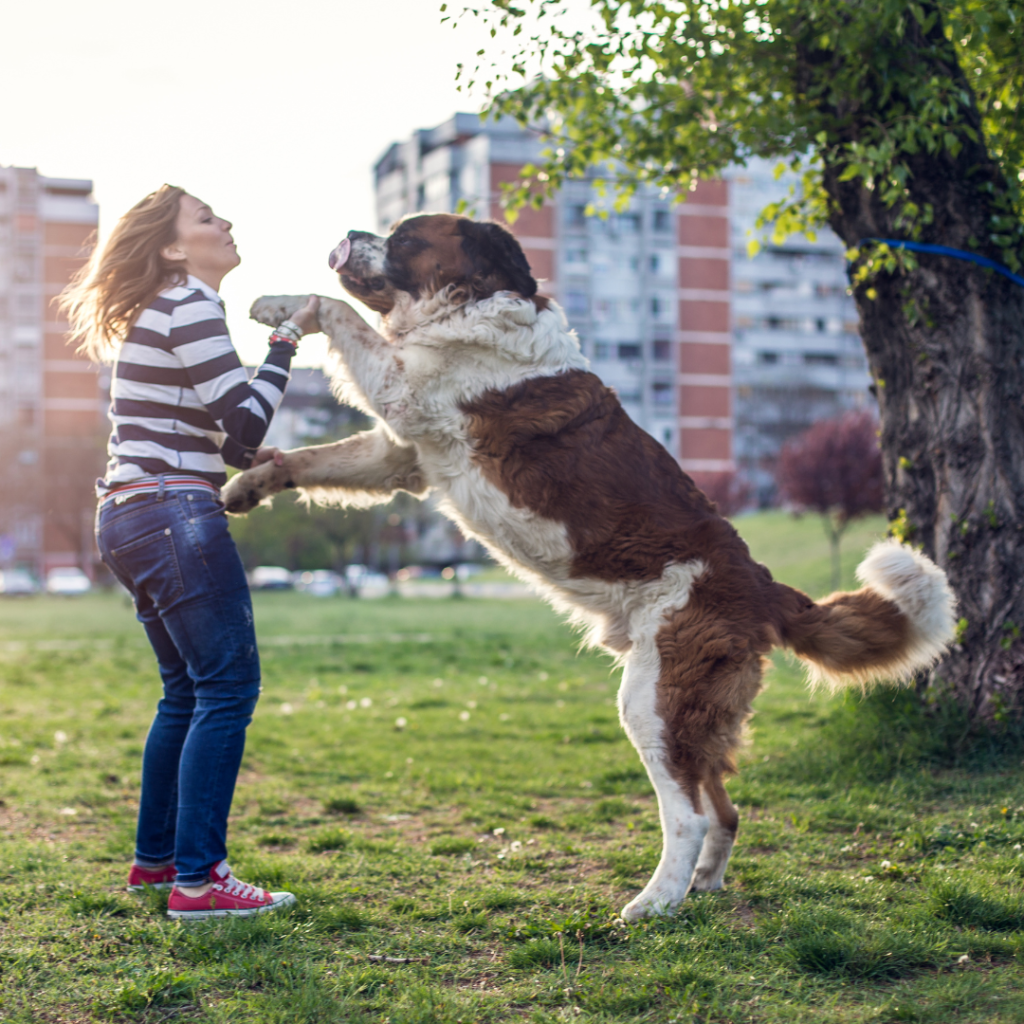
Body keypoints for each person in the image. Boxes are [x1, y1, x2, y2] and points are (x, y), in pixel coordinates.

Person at [60, 185, 319, 920]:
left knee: (185, 694)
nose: (226, 222)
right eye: (206, 218)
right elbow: (242, 423)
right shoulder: (189, 302)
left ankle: (158, 863)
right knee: (227, 690)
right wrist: (287, 340)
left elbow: (230, 439)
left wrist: (237, 443)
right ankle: (200, 883)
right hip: (173, 512)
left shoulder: (165, 307)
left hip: (130, 513)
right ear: (174, 247)